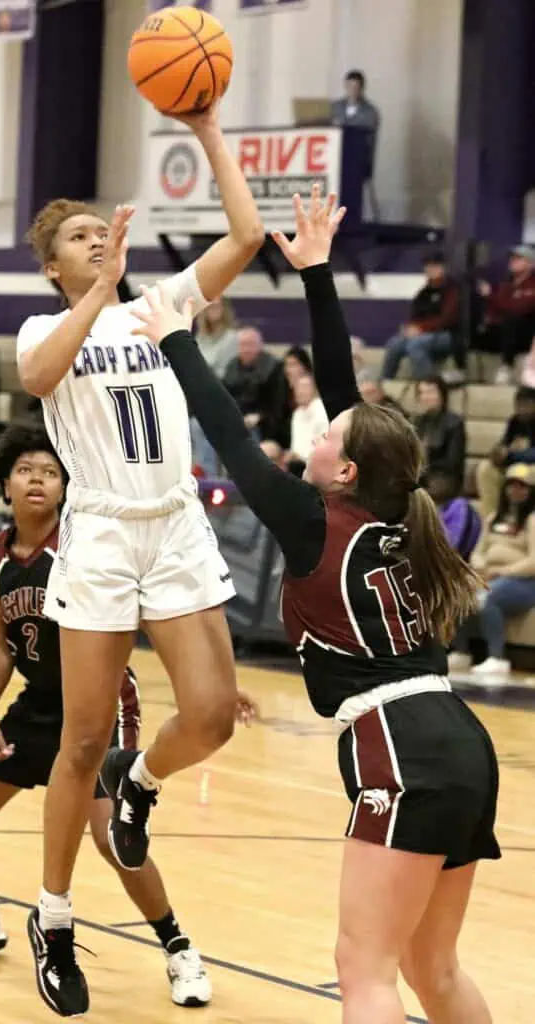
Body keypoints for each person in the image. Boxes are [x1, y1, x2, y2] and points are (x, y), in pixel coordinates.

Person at [131, 185, 498, 1024]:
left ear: (340, 471)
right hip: (456, 740)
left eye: (325, 438)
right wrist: (318, 274)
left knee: (362, 970)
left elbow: (227, 432)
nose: (316, 432)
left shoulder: (313, 519)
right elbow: (346, 396)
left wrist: (176, 338)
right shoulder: (394, 509)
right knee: (430, 969)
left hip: (400, 745)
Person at [16, 99, 264, 1017]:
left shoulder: (160, 307)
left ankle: (141, 783)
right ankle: (54, 914)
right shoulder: (45, 332)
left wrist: (204, 132)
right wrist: (97, 291)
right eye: (79, 238)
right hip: (105, 535)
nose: (94, 241)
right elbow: (39, 383)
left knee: (209, 716)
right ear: (55, 266)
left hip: (175, 525)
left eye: (100, 232)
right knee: (80, 738)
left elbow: (245, 235)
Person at [0, 425, 256, 1004]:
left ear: (67, 488)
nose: (39, 479)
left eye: (50, 471)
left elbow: (154, 613)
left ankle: (179, 948)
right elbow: (1, 644)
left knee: (110, 837)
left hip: (99, 705)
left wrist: (217, 681)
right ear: (4, 485)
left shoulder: (84, 546)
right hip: (38, 704)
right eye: (26, 470)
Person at [449, 463, 535, 684]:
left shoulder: (532, 520)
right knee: (458, 591)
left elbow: (533, 562)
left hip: (524, 582)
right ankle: (461, 652)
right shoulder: (493, 518)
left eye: (522, 486)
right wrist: (480, 566)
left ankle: (497, 657)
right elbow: (478, 551)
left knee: (490, 596)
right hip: (491, 574)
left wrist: (501, 571)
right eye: (512, 485)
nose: (516, 490)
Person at [381, 254, 459, 381]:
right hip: (424, 333)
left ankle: (428, 384)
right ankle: (386, 381)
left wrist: (421, 328)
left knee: (415, 345)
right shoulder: (423, 292)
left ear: (443, 268)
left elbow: (448, 318)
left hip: (449, 335)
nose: (430, 269)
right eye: (428, 266)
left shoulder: (453, 289)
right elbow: (414, 316)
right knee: (394, 343)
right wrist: (410, 328)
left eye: (435, 266)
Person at [222, 325, 289, 447]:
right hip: (236, 417)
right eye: (243, 345)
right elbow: (225, 397)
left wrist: (259, 416)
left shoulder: (273, 367)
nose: (246, 349)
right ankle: (206, 466)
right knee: (199, 425)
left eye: (251, 344)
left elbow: (278, 405)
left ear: (260, 345)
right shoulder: (232, 366)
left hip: (263, 422)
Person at [476, 386, 535, 519]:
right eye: (519, 405)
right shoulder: (514, 421)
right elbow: (504, 445)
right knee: (485, 468)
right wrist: (497, 453)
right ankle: (490, 517)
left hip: (531, 468)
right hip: (512, 466)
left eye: (527, 405)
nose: (522, 409)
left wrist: (510, 454)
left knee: (519, 472)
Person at [480, 246, 535, 384]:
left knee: (511, 320)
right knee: (483, 329)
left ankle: (507, 366)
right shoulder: (507, 283)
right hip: (507, 328)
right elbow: (498, 306)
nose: (513, 261)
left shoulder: (532, 283)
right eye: (512, 258)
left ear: (530, 263)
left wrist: (492, 296)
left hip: (528, 330)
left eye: (518, 259)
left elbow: (522, 308)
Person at [414, 375, 466, 493]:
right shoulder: (418, 421)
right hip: (418, 475)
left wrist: (427, 463)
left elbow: (453, 461)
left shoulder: (455, 423)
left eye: (431, 392)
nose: (426, 397)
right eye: (422, 393)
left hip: (443, 476)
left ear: (442, 395)